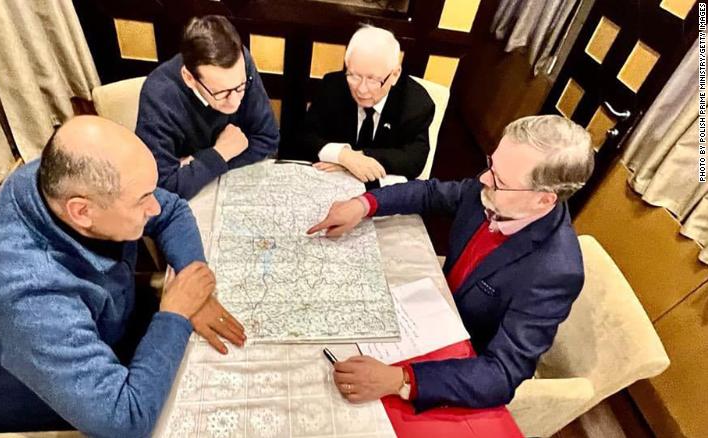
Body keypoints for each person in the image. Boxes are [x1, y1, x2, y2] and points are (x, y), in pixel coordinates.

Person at [0, 116, 245, 436]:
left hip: (107, 336)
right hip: (48, 417)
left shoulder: (56, 178)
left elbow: (173, 210)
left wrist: (192, 279)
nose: (154, 207)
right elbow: (124, 422)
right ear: (82, 212)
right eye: (142, 200)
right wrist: (175, 313)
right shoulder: (28, 298)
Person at [307, 115, 594, 411]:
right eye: (491, 165)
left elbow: (502, 373)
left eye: (500, 181)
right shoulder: (495, 190)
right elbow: (431, 193)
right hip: (432, 311)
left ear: (543, 201)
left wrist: (401, 379)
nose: (484, 179)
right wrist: (364, 204)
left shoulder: (555, 270)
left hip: (457, 361)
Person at [136, 15, 279, 200]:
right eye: (221, 93)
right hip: (191, 202)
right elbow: (162, 187)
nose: (235, 101)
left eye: (241, 87)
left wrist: (197, 166)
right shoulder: (159, 95)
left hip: (227, 186)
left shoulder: (242, 62)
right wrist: (220, 153)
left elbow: (268, 139)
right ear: (189, 78)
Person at [300, 25, 435, 183]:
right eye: (354, 75)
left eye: (373, 79)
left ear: (395, 75)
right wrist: (342, 155)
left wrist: (359, 158)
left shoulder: (417, 104)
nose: (361, 90)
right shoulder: (332, 86)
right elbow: (304, 135)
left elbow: (414, 160)